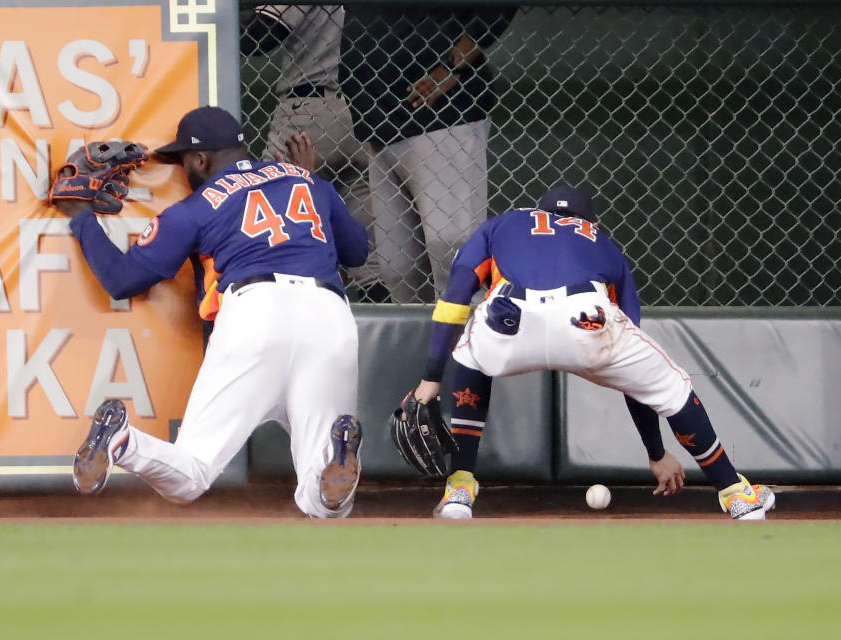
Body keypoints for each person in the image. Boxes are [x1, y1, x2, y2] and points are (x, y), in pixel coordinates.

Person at [52, 105, 368, 518]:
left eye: (183, 161)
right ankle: (338, 452)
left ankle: (123, 442)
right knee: (325, 501)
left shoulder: (194, 209)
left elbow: (122, 280)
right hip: (328, 317)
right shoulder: (311, 183)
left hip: (256, 316)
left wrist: (82, 218)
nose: (183, 171)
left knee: (192, 473)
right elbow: (358, 253)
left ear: (200, 160)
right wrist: (309, 180)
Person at [406, 185, 776, 521]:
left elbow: (453, 300)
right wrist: (655, 452)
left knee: (472, 354)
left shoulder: (501, 224)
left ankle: (459, 490)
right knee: (671, 388)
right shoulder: (603, 242)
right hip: (585, 318)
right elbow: (636, 379)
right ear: (588, 222)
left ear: (540, 213)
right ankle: (737, 494)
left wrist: (431, 377)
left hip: (510, 319)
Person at [339, 6, 517, 302]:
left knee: (452, 254)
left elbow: (497, 10)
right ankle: (425, 348)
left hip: (440, 114)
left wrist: (452, 66)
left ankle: (468, 345)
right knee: (399, 270)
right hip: (379, 123)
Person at [241, 4, 388, 303]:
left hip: (307, 110)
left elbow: (257, 38)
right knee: (369, 253)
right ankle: (381, 329)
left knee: (272, 207)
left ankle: (271, 307)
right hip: (364, 112)